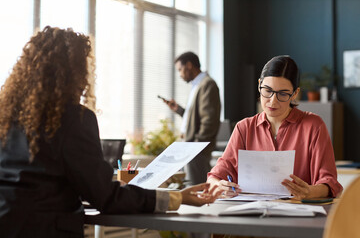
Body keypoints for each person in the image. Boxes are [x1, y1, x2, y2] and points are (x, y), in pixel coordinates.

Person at [0, 27, 220, 237]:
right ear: (74, 73)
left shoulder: (6, 116)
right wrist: (176, 198)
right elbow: (106, 197)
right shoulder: (73, 119)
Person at [207, 55, 343, 199]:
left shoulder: (313, 126)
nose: (272, 101)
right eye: (267, 90)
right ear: (259, 85)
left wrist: (310, 192)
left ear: (295, 94)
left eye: (283, 94)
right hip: (251, 214)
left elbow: (330, 183)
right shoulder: (244, 128)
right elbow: (214, 177)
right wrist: (218, 185)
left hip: (298, 214)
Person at [162, 52, 221, 185]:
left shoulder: (207, 84)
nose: (180, 75)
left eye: (180, 70)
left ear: (189, 65)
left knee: (197, 190)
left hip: (196, 149)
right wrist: (178, 109)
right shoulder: (197, 85)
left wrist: (195, 145)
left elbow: (209, 121)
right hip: (191, 148)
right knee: (190, 189)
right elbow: (195, 119)